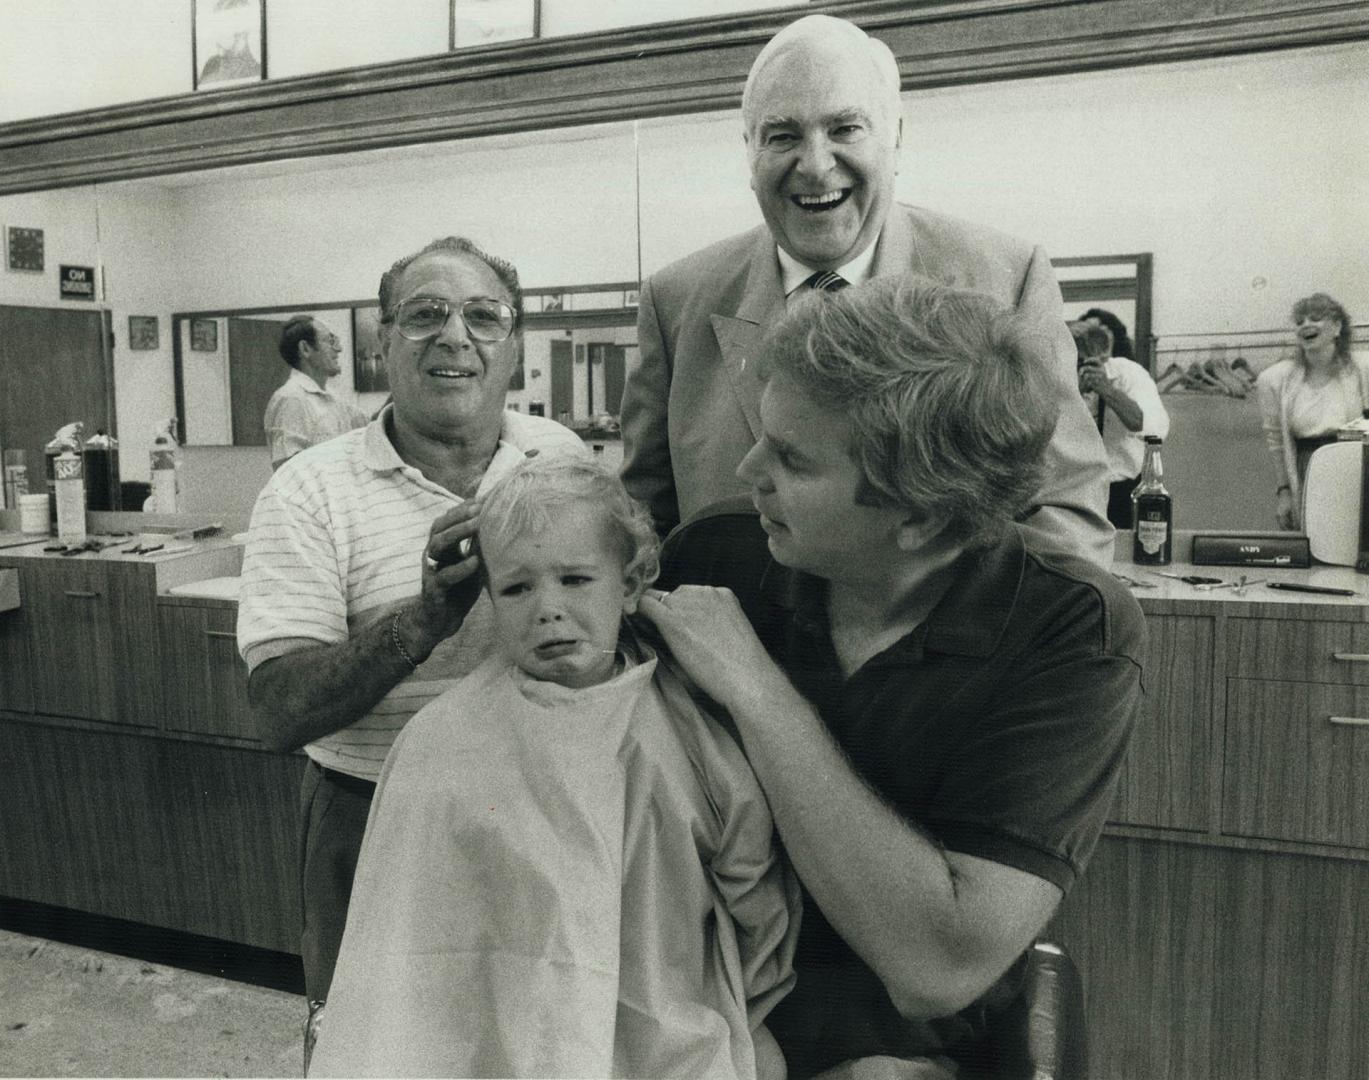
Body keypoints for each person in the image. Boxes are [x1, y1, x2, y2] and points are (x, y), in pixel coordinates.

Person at [642, 278, 1144, 1078]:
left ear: (924, 517)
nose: (747, 469)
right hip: (692, 1009)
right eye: (762, 435)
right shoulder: (720, 555)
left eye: (792, 459)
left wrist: (759, 692)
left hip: (898, 1048)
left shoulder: (1068, 628)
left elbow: (937, 970)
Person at [307, 455, 797, 1079]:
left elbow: (752, 878)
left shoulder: (688, 724)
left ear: (630, 581)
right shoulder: (442, 739)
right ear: (487, 597)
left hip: (662, 1022)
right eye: (517, 588)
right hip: (503, 1029)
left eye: (574, 579)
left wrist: (744, 1004)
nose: (547, 608)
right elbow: (411, 942)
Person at [619, 13, 1113, 565]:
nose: (814, 164)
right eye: (782, 136)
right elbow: (641, 526)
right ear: (748, 151)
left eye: (844, 128)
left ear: (896, 134)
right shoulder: (677, 301)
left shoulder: (1005, 279)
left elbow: (1067, 516)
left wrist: (969, 646)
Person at [236, 237, 585, 1014]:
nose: (455, 336)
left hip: (548, 802)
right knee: (371, 1040)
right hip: (372, 812)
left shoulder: (561, 458)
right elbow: (277, 712)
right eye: (424, 314)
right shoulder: (307, 492)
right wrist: (421, 623)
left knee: (539, 1032)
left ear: (515, 346)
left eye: (483, 316)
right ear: (383, 344)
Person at [1256, 291, 1369, 529]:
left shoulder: (1363, 369)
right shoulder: (1275, 380)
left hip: (1356, 469)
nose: (1306, 324)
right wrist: (1284, 492)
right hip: (1307, 471)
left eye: (1316, 318)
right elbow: (1276, 440)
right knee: (1314, 544)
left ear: (1337, 327)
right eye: (1300, 321)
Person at [1071, 319, 1170, 528]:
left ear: (1103, 356)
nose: (1075, 368)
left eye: (1081, 361)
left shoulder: (1130, 375)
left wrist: (1107, 390)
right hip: (1073, 488)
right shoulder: (1061, 378)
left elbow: (1146, 425)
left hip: (1120, 490)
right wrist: (1072, 394)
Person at [263, 315, 367, 469]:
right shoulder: (291, 399)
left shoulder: (334, 398)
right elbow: (288, 472)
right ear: (305, 349)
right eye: (329, 341)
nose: (339, 349)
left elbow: (372, 425)